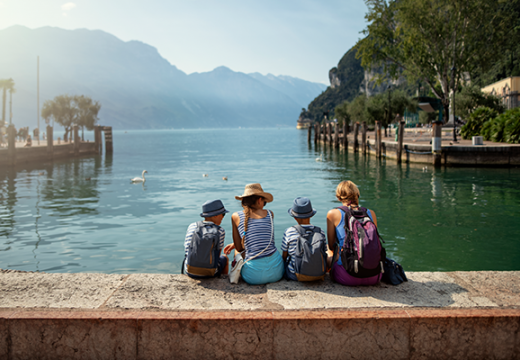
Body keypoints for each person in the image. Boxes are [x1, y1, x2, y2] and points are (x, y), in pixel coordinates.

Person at [326, 180, 382, 286]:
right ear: (357, 195)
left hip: (348, 277)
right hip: (375, 276)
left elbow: (332, 245)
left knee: (328, 250)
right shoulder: (371, 213)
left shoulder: (332, 214)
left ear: (338, 197)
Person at [230, 183, 284, 285]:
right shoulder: (269, 214)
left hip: (253, 277)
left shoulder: (236, 216)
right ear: (259, 200)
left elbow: (239, 248)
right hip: (277, 272)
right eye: (264, 202)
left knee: (236, 252)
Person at [281, 197, 331, 281]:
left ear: (295, 217)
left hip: (295, 275)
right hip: (319, 274)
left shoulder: (289, 231)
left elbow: (284, 256)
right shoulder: (320, 232)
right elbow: (324, 253)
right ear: (311, 215)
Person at [183, 199, 229, 279]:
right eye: (223, 214)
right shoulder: (220, 231)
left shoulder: (192, 226)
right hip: (210, 272)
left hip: (189, 270)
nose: (223, 217)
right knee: (225, 257)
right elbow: (217, 256)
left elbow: (187, 250)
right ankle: (222, 281)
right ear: (216, 215)